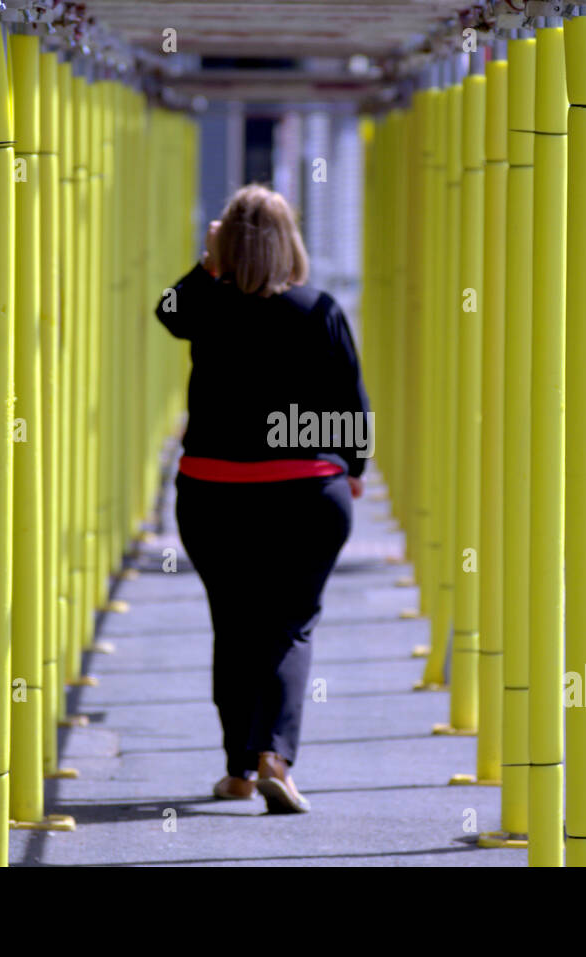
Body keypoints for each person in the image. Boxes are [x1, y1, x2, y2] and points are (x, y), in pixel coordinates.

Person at [154, 185, 371, 814]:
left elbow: (167, 310)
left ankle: (239, 771)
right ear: (291, 242)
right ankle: (274, 755)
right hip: (306, 491)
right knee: (290, 623)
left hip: (216, 492)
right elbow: (351, 406)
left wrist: (207, 265)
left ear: (225, 244)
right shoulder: (319, 308)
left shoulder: (208, 305)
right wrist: (350, 468)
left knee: (235, 625)